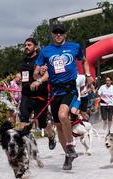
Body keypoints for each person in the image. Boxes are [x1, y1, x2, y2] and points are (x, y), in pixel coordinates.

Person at [32, 24, 94, 170]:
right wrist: (40, 73)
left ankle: (71, 144)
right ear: (52, 34)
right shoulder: (46, 51)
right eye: (55, 32)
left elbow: (84, 60)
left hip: (69, 89)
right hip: (54, 92)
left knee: (63, 115)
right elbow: (35, 73)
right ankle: (68, 155)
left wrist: (88, 75)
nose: (58, 35)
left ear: (65, 34)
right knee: (59, 127)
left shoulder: (74, 47)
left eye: (61, 32)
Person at [18, 37, 56, 150]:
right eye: (25, 45)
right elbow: (23, 75)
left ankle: (51, 135)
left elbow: (47, 75)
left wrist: (39, 79)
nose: (26, 47)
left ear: (35, 47)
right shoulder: (22, 62)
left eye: (29, 45)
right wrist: (19, 77)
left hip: (40, 95)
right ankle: (25, 146)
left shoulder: (41, 60)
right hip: (26, 94)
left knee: (42, 124)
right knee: (23, 118)